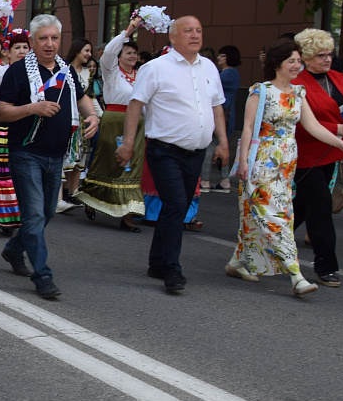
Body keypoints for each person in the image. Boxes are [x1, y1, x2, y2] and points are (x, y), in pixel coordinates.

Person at [229, 39, 343, 295]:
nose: (297, 66)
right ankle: (296, 275)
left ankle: (237, 262)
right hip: (262, 162)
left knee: (264, 214)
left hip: (287, 164)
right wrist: (243, 162)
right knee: (276, 218)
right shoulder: (261, 91)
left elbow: (313, 127)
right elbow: (247, 128)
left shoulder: (298, 93)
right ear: (278, 64)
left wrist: (340, 144)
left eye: (299, 61)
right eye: (292, 61)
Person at [117, 16, 228, 294]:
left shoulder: (209, 68)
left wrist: (224, 142)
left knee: (175, 206)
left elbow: (216, 107)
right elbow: (135, 106)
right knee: (177, 204)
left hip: (197, 152)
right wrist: (128, 143)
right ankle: (171, 268)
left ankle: (157, 262)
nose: (195, 35)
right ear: (173, 37)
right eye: (188, 31)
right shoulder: (155, 68)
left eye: (199, 31)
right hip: (164, 150)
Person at [0, 14, 99, 298]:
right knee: (34, 215)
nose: (49, 44)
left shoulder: (66, 70)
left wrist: (92, 116)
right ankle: (43, 276)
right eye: (43, 38)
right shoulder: (17, 72)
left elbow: (81, 97)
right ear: (32, 41)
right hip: (26, 152)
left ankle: (13, 250)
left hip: (56, 155)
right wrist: (32, 108)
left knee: (47, 213)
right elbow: (2, 112)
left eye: (54, 38)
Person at [289, 28, 343, 287]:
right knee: (320, 206)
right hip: (306, 153)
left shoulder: (340, 78)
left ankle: (263, 241)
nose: (327, 59)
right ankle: (326, 264)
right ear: (304, 57)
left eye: (329, 54)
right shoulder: (295, 82)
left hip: (331, 151)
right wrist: (335, 129)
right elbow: (299, 122)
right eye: (320, 55)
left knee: (303, 205)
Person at [75, 17, 145, 231]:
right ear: (119, 56)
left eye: (135, 53)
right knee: (107, 162)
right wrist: (129, 30)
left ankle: (128, 215)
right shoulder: (111, 71)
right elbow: (108, 53)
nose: (132, 56)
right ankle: (92, 199)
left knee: (132, 166)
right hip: (114, 119)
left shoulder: (142, 75)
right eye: (128, 53)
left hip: (138, 123)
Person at [0, 27, 29, 235]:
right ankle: (0, 216)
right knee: (0, 173)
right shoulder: (2, 70)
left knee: (20, 173)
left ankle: (21, 215)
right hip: (0, 127)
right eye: (16, 47)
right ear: (7, 52)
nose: (22, 51)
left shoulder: (35, 74)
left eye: (25, 47)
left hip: (24, 126)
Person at [58, 38, 95, 213]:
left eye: (90, 51)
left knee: (80, 157)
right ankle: (59, 195)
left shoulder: (89, 73)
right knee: (65, 154)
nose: (88, 54)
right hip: (69, 117)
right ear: (77, 50)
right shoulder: (64, 68)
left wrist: (96, 116)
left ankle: (73, 193)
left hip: (83, 120)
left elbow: (90, 97)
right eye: (86, 50)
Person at [202, 45, 242, 192]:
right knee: (219, 147)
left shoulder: (229, 73)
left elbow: (208, 82)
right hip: (224, 115)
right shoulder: (225, 73)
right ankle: (224, 180)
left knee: (210, 147)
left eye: (222, 56)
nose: (218, 58)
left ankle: (205, 180)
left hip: (222, 116)